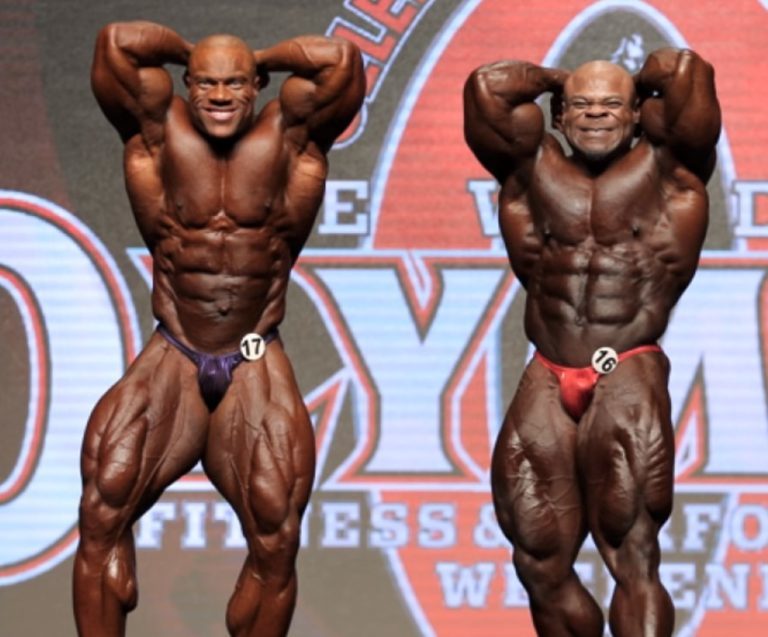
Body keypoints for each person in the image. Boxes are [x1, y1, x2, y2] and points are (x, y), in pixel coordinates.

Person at [73, 21, 364, 637]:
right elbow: (116, 43)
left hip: (254, 354)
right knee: (102, 506)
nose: (221, 95)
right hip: (175, 350)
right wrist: (195, 51)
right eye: (206, 82)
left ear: (258, 86)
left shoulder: (291, 140)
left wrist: (255, 57)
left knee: (277, 531)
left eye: (235, 83)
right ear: (186, 84)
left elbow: (340, 60)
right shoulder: (157, 134)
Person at [463, 48, 720, 636]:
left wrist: (629, 81)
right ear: (558, 114)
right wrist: (561, 79)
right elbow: (486, 87)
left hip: (627, 366)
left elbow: (686, 71)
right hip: (548, 370)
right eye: (581, 104)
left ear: (637, 114)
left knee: (632, 551)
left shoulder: (672, 170)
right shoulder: (530, 170)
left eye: (610, 104)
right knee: (536, 557)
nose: (596, 113)